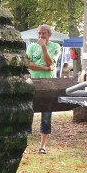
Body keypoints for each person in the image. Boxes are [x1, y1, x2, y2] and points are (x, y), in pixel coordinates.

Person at [26, 24, 61, 154]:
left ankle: (42, 146)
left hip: (48, 84)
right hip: (33, 83)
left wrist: (44, 47)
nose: (41, 36)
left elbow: (50, 63)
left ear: (49, 35)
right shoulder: (31, 47)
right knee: (28, 112)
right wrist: (44, 69)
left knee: (46, 115)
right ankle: (24, 143)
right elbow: (28, 64)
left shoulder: (56, 47)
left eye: (43, 34)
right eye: (39, 33)